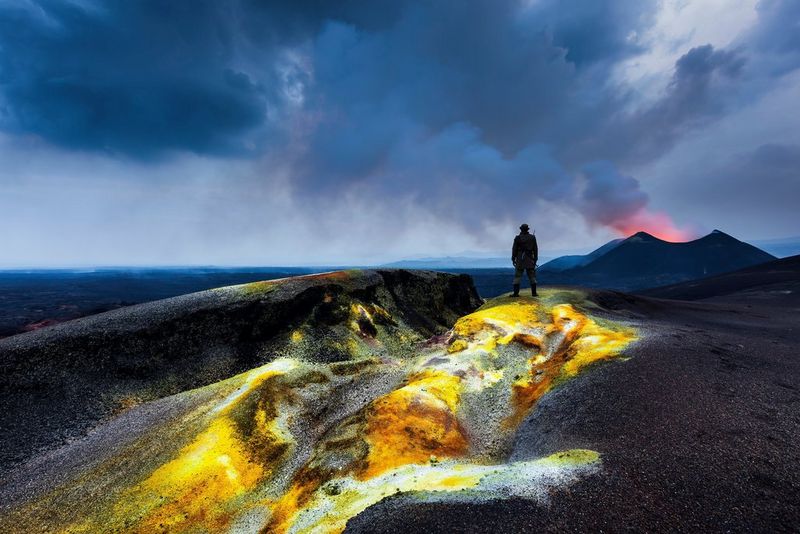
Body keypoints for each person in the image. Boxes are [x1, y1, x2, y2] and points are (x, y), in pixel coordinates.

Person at [511, 223, 538, 297]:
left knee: (517, 276)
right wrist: (535, 259)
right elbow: (535, 249)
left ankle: (516, 293)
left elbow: (514, 249)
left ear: (521, 229)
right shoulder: (532, 237)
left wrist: (513, 258)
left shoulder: (517, 238)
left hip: (520, 259)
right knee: (532, 276)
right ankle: (534, 293)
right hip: (529, 259)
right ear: (527, 229)